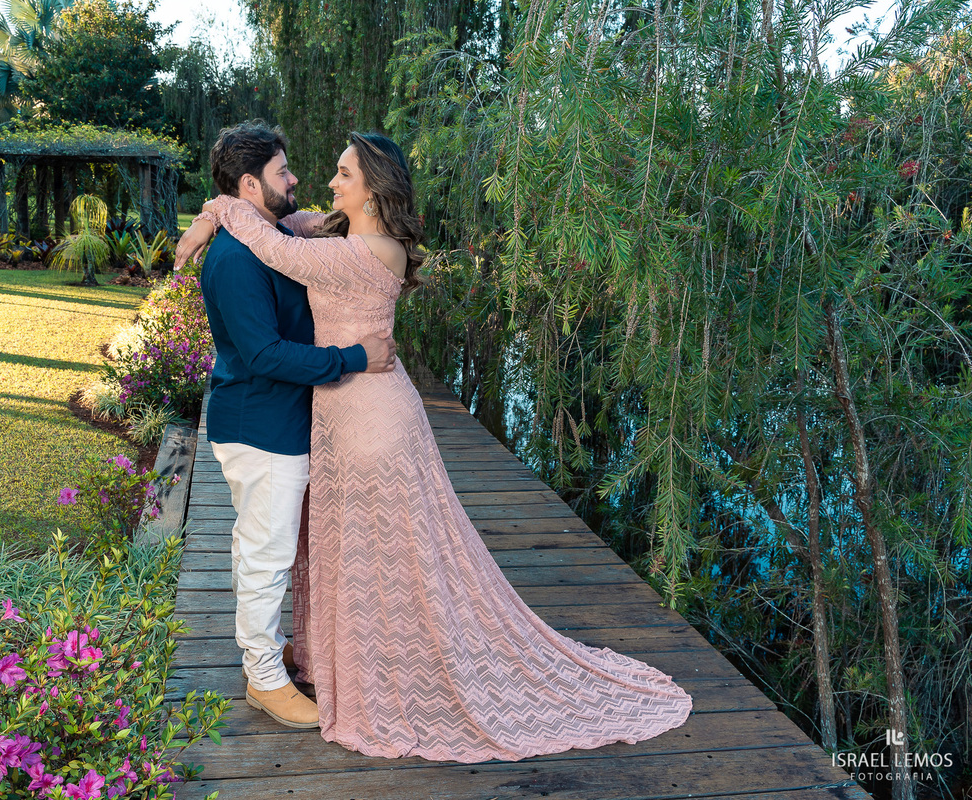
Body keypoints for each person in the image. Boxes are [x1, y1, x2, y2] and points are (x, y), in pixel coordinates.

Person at [176, 131, 693, 762]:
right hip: (337, 410)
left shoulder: (365, 251)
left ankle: (377, 668)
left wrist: (218, 211)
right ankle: (331, 657)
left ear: (373, 186)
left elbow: (269, 241)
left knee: (384, 554)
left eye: (343, 173)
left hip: (369, 416)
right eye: (296, 172)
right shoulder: (328, 231)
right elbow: (276, 232)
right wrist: (217, 211)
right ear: (255, 183)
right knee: (349, 547)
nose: (324, 183)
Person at [196, 122, 398, 731]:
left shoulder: (265, 233)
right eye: (283, 172)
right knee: (267, 553)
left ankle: (267, 654)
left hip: (277, 420)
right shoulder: (236, 260)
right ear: (249, 184)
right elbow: (263, 354)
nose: (296, 180)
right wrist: (353, 359)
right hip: (260, 425)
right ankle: (264, 680)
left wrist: (212, 213)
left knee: (260, 546)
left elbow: (304, 228)